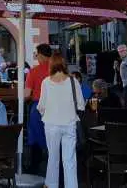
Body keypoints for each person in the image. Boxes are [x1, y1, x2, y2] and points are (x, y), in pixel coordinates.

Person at [38, 54, 85, 188]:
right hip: (69, 124)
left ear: (51, 64)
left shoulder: (46, 82)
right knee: (69, 160)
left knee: (53, 158)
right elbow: (81, 104)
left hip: (51, 125)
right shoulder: (73, 81)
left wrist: (47, 114)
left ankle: (51, 185)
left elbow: (41, 106)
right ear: (64, 64)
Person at [25, 44, 52, 174]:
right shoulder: (56, 70)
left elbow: (26, 94)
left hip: (38, 107)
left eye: (36, 53)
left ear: (40, 54)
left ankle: (35, 166)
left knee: (35, 136)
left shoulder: (34, 71)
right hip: (55, 107)